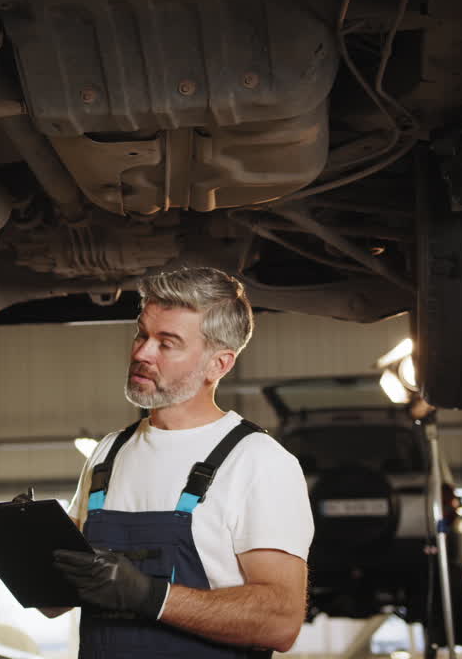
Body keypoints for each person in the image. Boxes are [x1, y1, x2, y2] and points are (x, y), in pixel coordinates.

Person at [48, 267, 313, 658]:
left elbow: (280, 621)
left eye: (166, 343)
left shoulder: (258, 461)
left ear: (218, 365)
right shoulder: (110, 452)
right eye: (142, 334)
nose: (141, 353)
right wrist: (26, 545)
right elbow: (55, 601)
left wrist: (148, 595)